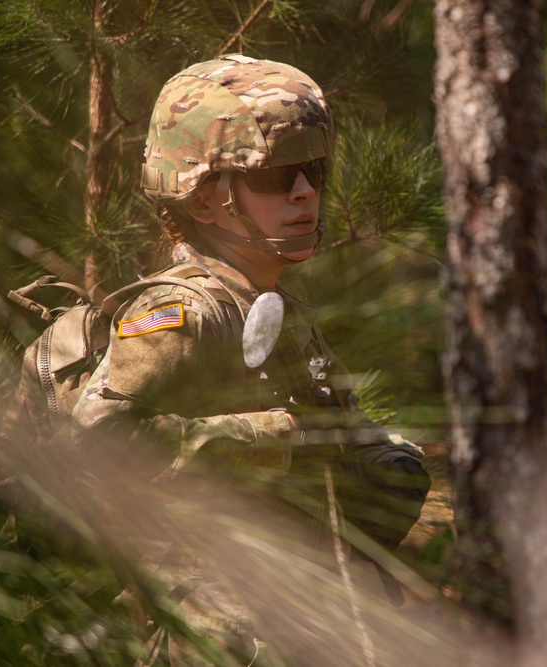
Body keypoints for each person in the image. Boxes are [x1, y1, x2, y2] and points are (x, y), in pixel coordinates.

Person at [70, 54, 431, 665]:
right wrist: (264, 436)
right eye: (274, 177)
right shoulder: (185, 312)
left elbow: (323, 428)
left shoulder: (276, 306)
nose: (305, 192)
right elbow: (96, 440)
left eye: (314, 170)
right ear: (206, 198)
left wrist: (379, 459)